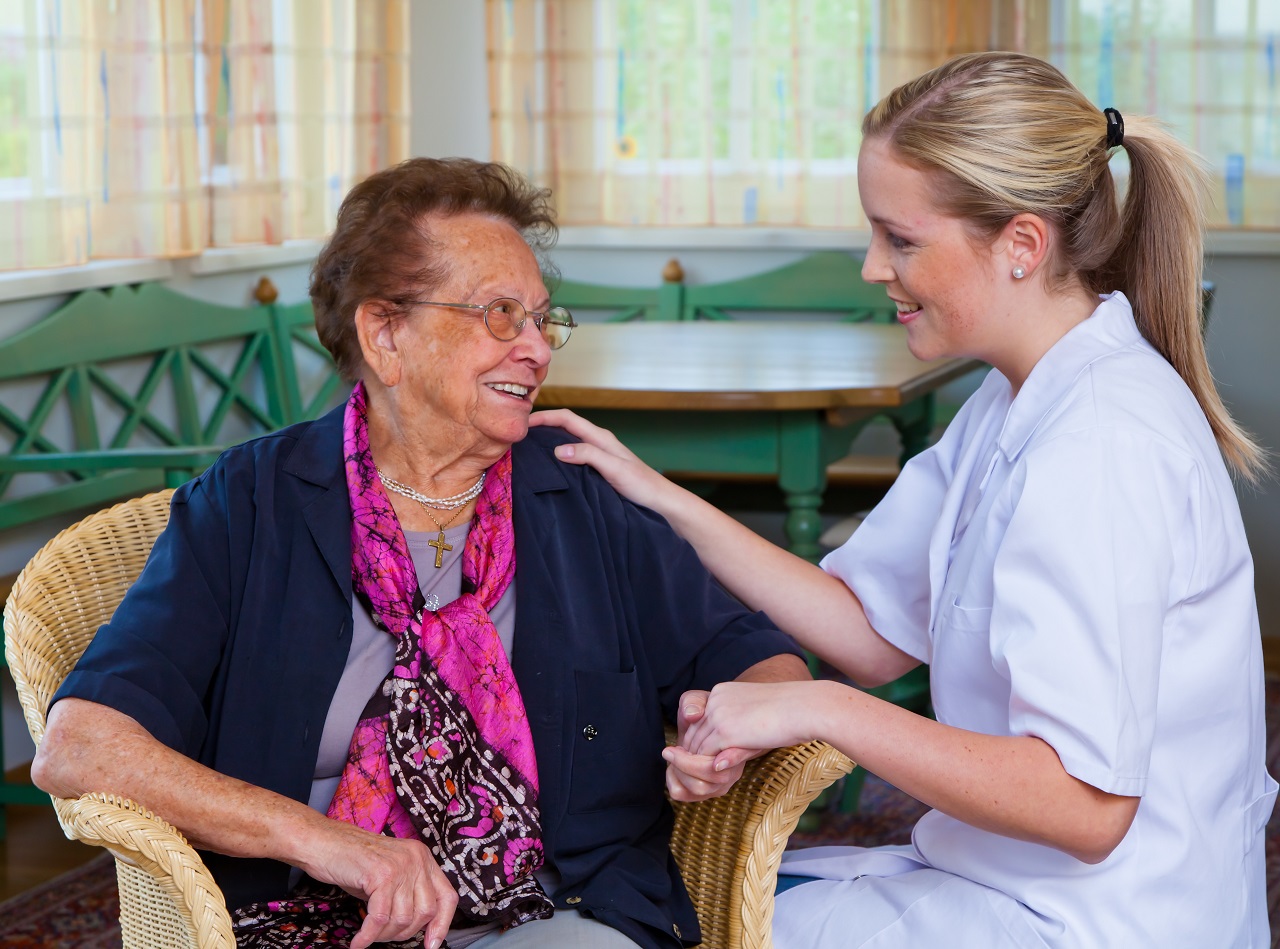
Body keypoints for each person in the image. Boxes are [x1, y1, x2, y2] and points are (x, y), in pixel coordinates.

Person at [532, 51, 1277, 948]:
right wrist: (660, 493)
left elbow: (1084, 804)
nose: (871, 267)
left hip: (1095, 919)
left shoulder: (1102, 445)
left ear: (1022, 245)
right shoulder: (1014, 400)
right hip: (1002, 880)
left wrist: (817, 709)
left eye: (902, 239)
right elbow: (869, 629)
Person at [30, 157, 809, 949]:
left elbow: (760, 659)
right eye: (501, 314)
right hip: (299, 920)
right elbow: (81, 744)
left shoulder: (578, 493)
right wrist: (330, 842)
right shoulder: (253, 503)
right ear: (385, 334)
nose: (537, 349)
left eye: (543, 319)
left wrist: (725, 732)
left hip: (552, 913)